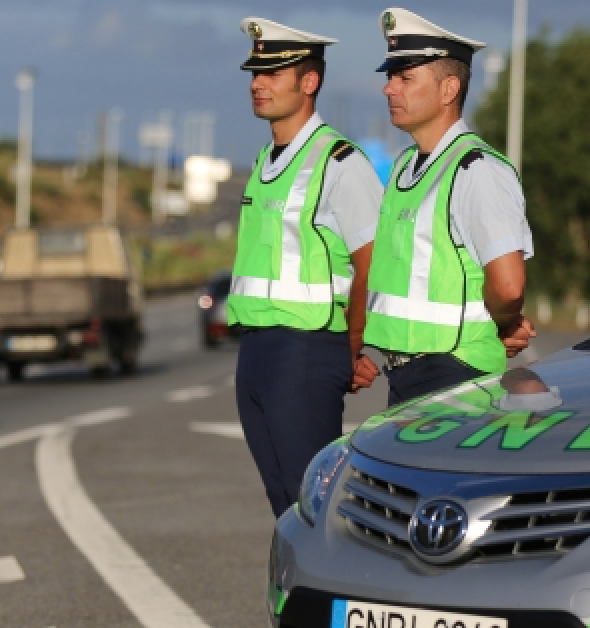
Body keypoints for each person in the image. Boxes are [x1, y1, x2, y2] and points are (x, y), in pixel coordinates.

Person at [228, 17, 382, 518]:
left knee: (315, 504)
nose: (258, 83)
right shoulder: (266, 160)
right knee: (283, 503)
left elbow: (372, 264)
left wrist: (352, 347)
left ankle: (333, 595)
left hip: (306, 352)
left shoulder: (340, 162)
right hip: (257, 350)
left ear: (309, 81)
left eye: (273, 73)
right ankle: (293, 598)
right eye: (256, 72)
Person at [353, 7, 536, 407]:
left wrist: (503, 326)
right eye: (390, 77)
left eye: (405, 77)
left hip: (455, 376)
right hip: (408, 375)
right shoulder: (405, 165)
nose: (389, 88)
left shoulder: (476, 170)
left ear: (449, 89)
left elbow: (508, 288)